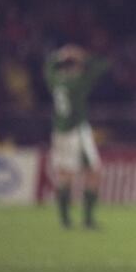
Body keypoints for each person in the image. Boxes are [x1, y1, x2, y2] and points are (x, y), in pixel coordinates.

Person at [43, 44, 110, 229]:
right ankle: (88, 220)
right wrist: (83, 56)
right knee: (94, 172)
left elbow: (48, 67)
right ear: (75, 67)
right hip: (76, 131)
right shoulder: (78, 83)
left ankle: (64, 220)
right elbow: (101, 66)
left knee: (64, 175)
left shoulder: (55, 81)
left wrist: (59, 54)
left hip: (58, 132)